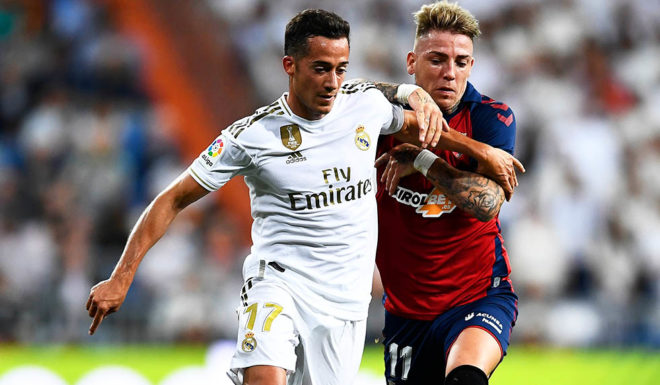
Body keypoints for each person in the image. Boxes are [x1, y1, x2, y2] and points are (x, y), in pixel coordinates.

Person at [85, 8, 517, 385]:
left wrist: (482, 152)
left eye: (341, 69)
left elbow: (421, 128)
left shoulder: (363, 109)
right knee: (265, 375)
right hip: (279, 283)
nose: (332, 82)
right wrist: (121, 276)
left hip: (345, 302)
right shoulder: (250, 136)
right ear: (290, 65)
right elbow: (172, 198)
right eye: (320, 68)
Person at [374, 2, 524, 385]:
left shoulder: (492, 118)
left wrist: (425, 161)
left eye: (461, 61)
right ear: (412, 62)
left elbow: (487, 204)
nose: (449, 73)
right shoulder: (379, 115)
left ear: (471, 66)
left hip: (477, 295)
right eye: (437, 59)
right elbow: (344, 91)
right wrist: (409, 95)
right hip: (406, 312)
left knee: (466, 379)